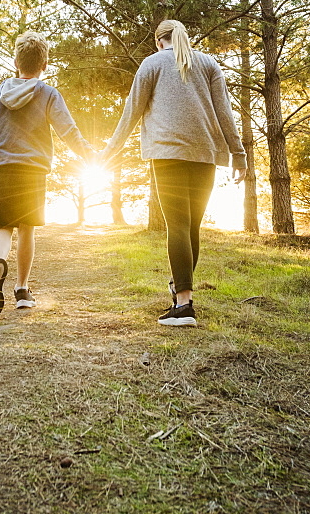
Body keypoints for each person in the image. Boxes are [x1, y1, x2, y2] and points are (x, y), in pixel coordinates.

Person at [101, 20, 246, 328]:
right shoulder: (208, 63)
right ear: (184, 37)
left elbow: (132, 112)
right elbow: (225, 112)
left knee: (178, 225)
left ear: (159, 41)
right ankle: (181, 294)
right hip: (204, 155)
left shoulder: (152, 63)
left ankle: (183, 305)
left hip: (167, 154)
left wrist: (108, 152)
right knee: (191, 227)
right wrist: (239, 154)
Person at [0, 30, 93, 316]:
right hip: (33, 171)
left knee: (2, 226)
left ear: (16, 63)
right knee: (27, 228)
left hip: (2, 167)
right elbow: (68, 131)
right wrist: (89, 154)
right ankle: (22, 290)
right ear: (44, 65)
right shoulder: (48, 94)